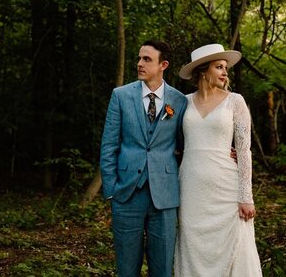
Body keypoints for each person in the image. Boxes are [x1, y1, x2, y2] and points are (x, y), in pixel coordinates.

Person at [100, 40, 187, 277]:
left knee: (162, 269)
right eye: (139, 58)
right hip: (126, 194)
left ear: (163, 65)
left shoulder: (179, 100)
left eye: (147, 59)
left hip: (165, 197)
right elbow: (109, 145)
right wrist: (111, 190)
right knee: (127, 268)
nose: (139, 63)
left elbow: (185, 145)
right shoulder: (120, 96)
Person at [174, 43, 263, 277]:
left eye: (225, 67)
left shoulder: (235, 101)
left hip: (226, 186)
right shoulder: (182, 102)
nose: (225, 72)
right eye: (218, 67)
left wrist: (246, 196)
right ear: (203, 70)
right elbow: (169, 142)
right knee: (193, 246)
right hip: (191, 188)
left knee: (236, 245)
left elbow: (244, 151)